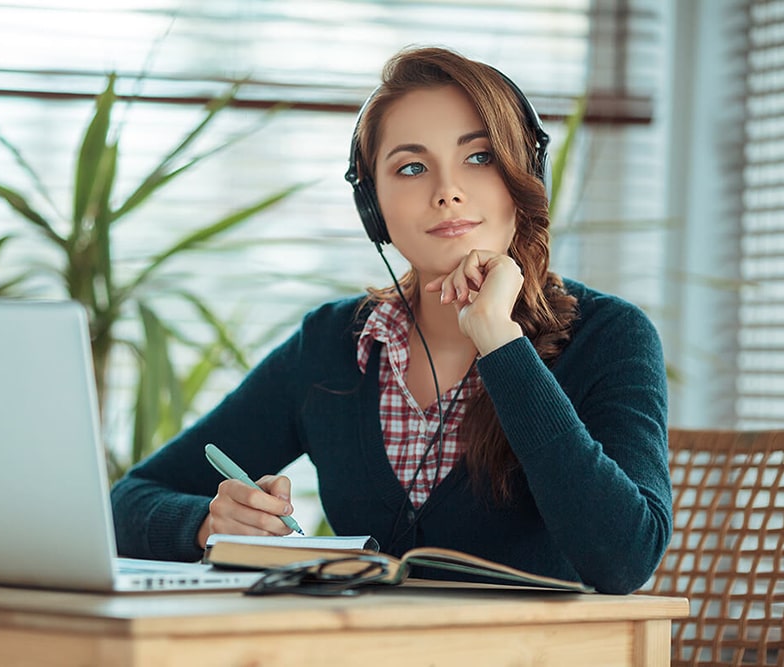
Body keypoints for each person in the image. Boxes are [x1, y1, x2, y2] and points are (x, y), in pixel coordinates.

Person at [110, 45, 672, 595]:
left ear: (523, 176)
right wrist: (209, 525)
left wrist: (501, 343)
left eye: (479, 157)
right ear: (372, 205)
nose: (447, 192)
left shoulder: (610, 336)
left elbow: (623, 561)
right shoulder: (332, 345)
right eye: (410, 167)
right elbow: (127, 501)